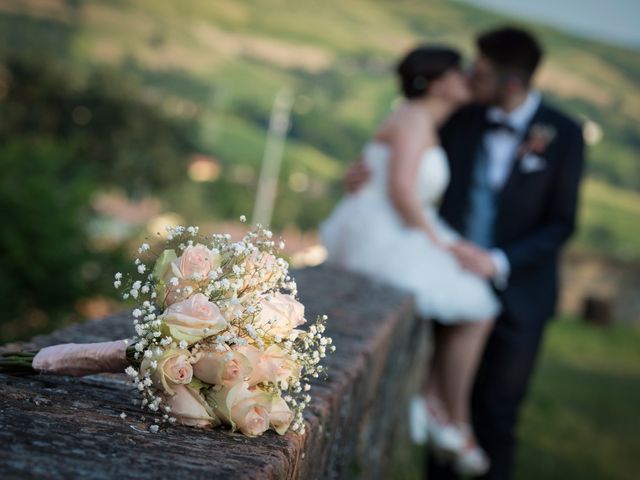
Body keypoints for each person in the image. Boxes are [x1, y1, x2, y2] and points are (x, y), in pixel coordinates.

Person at [344, 27, 585, 480]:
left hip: (522, 293)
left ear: (511, 83)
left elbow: (562, 223)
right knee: (440, 415)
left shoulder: (566, 134)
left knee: (498, 414)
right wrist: (364, 172)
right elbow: (401, 154)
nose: (470, 76)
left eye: (481, 71)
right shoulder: (460, 114)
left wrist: (497, 261)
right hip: (445, 272)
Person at [320, 46, 499, 476]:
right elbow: (402, 192)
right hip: (383, 230)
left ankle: (438, 408)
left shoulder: (426, 118)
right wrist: (440, 244)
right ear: (438, 82)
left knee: (475, 302)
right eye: (459, 72)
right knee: (478, 304)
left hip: (395, 222)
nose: (468, 78)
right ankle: (449, 416)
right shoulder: (415, 117)